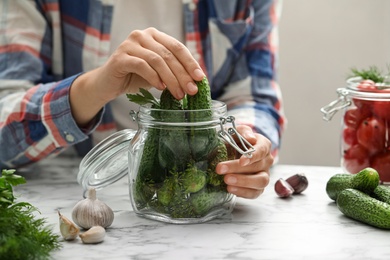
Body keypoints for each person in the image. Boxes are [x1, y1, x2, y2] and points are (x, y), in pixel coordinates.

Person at [0, 0, 285, 199]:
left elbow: (253, 95)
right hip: (65, 184)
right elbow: (5, 119)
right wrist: (96, 86)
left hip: (198, 175)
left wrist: (245, 143)